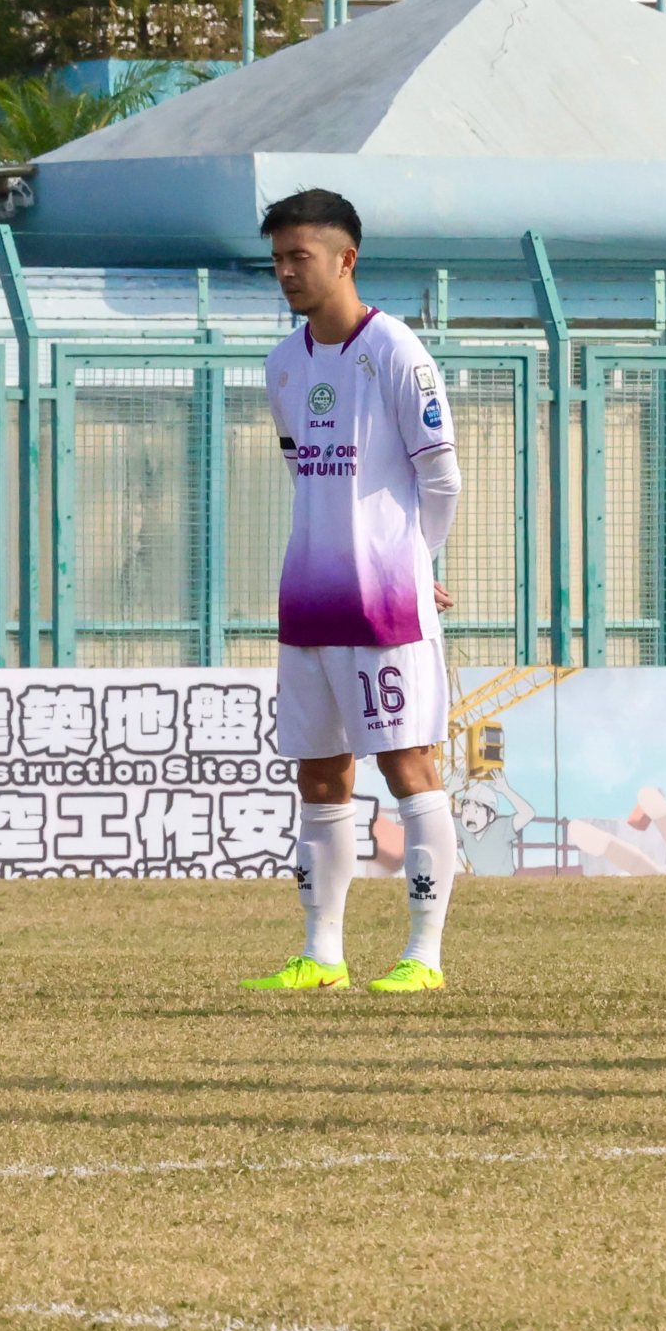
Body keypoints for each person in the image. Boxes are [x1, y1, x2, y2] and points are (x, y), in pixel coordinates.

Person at [242, 190, 462, 994]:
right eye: (277, 259)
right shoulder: (283, 362)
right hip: (306, 600)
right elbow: (301, 465)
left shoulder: (397, 352)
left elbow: (441, 477)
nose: (286, 272)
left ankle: (423, 955)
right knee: (320, 772)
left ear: (346, 258)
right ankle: (321, 955)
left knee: (409, 766)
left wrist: (411, 560)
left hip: (385, 605)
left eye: (300, 256)